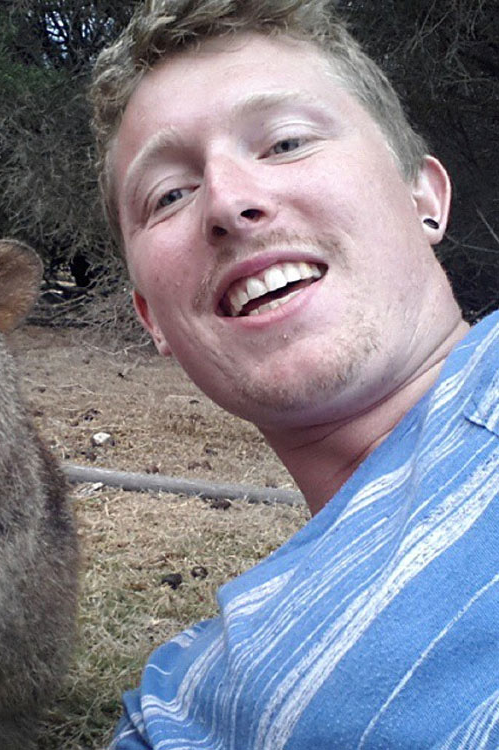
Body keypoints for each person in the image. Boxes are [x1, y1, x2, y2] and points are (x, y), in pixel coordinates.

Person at [89, 1, 499, 747]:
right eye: (169, 195)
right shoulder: (182, 704)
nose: (230, 202)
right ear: (154, 320)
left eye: (284, 142)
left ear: (424, 196)